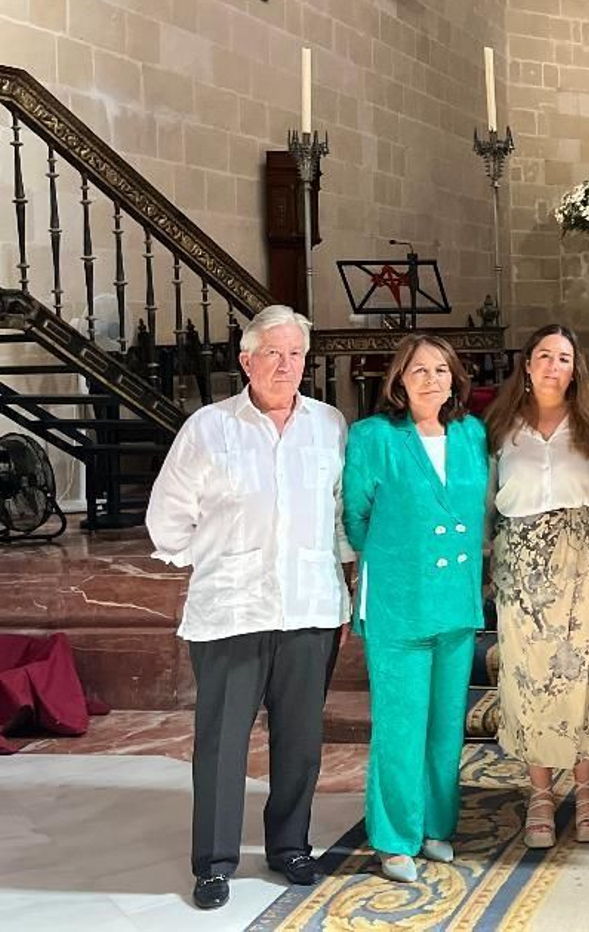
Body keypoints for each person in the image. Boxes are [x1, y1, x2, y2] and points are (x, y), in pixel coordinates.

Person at [146, 305, 350, 912]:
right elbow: (166, 519)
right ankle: (213, 863)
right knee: (222, 743)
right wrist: (218, 561)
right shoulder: (209, 429)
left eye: (295, 355)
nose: (286, 365)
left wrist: (336, 579)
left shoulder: (330, 425)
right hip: (232, 613)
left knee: (300, 741)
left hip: (309, 609)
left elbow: (339, 514)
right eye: (273, 354)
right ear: (246, 361)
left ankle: (290, 846)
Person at [343, 334, 491, 883]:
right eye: (418, 370)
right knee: (401, 726)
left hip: (456, 604)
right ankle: (394, 836)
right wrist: (394, 559)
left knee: (445, 726)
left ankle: (435, 827)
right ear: (399, 382)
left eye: (440, 370)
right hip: (400, 604)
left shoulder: (472, 434)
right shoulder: (374, 437)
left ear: (455, 379)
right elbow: (355, 517)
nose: (431, 379)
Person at [483, 324, 589, 848]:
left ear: (574, 368)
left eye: (563, 357)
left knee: (585, 672)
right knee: (528, 675)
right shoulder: (499, 426)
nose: (552, 366)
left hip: (584, 553)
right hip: (521, 557)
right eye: (543, 355)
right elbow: (486, 496)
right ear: (527, 364)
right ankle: (539, 792)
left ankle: (586, 790)